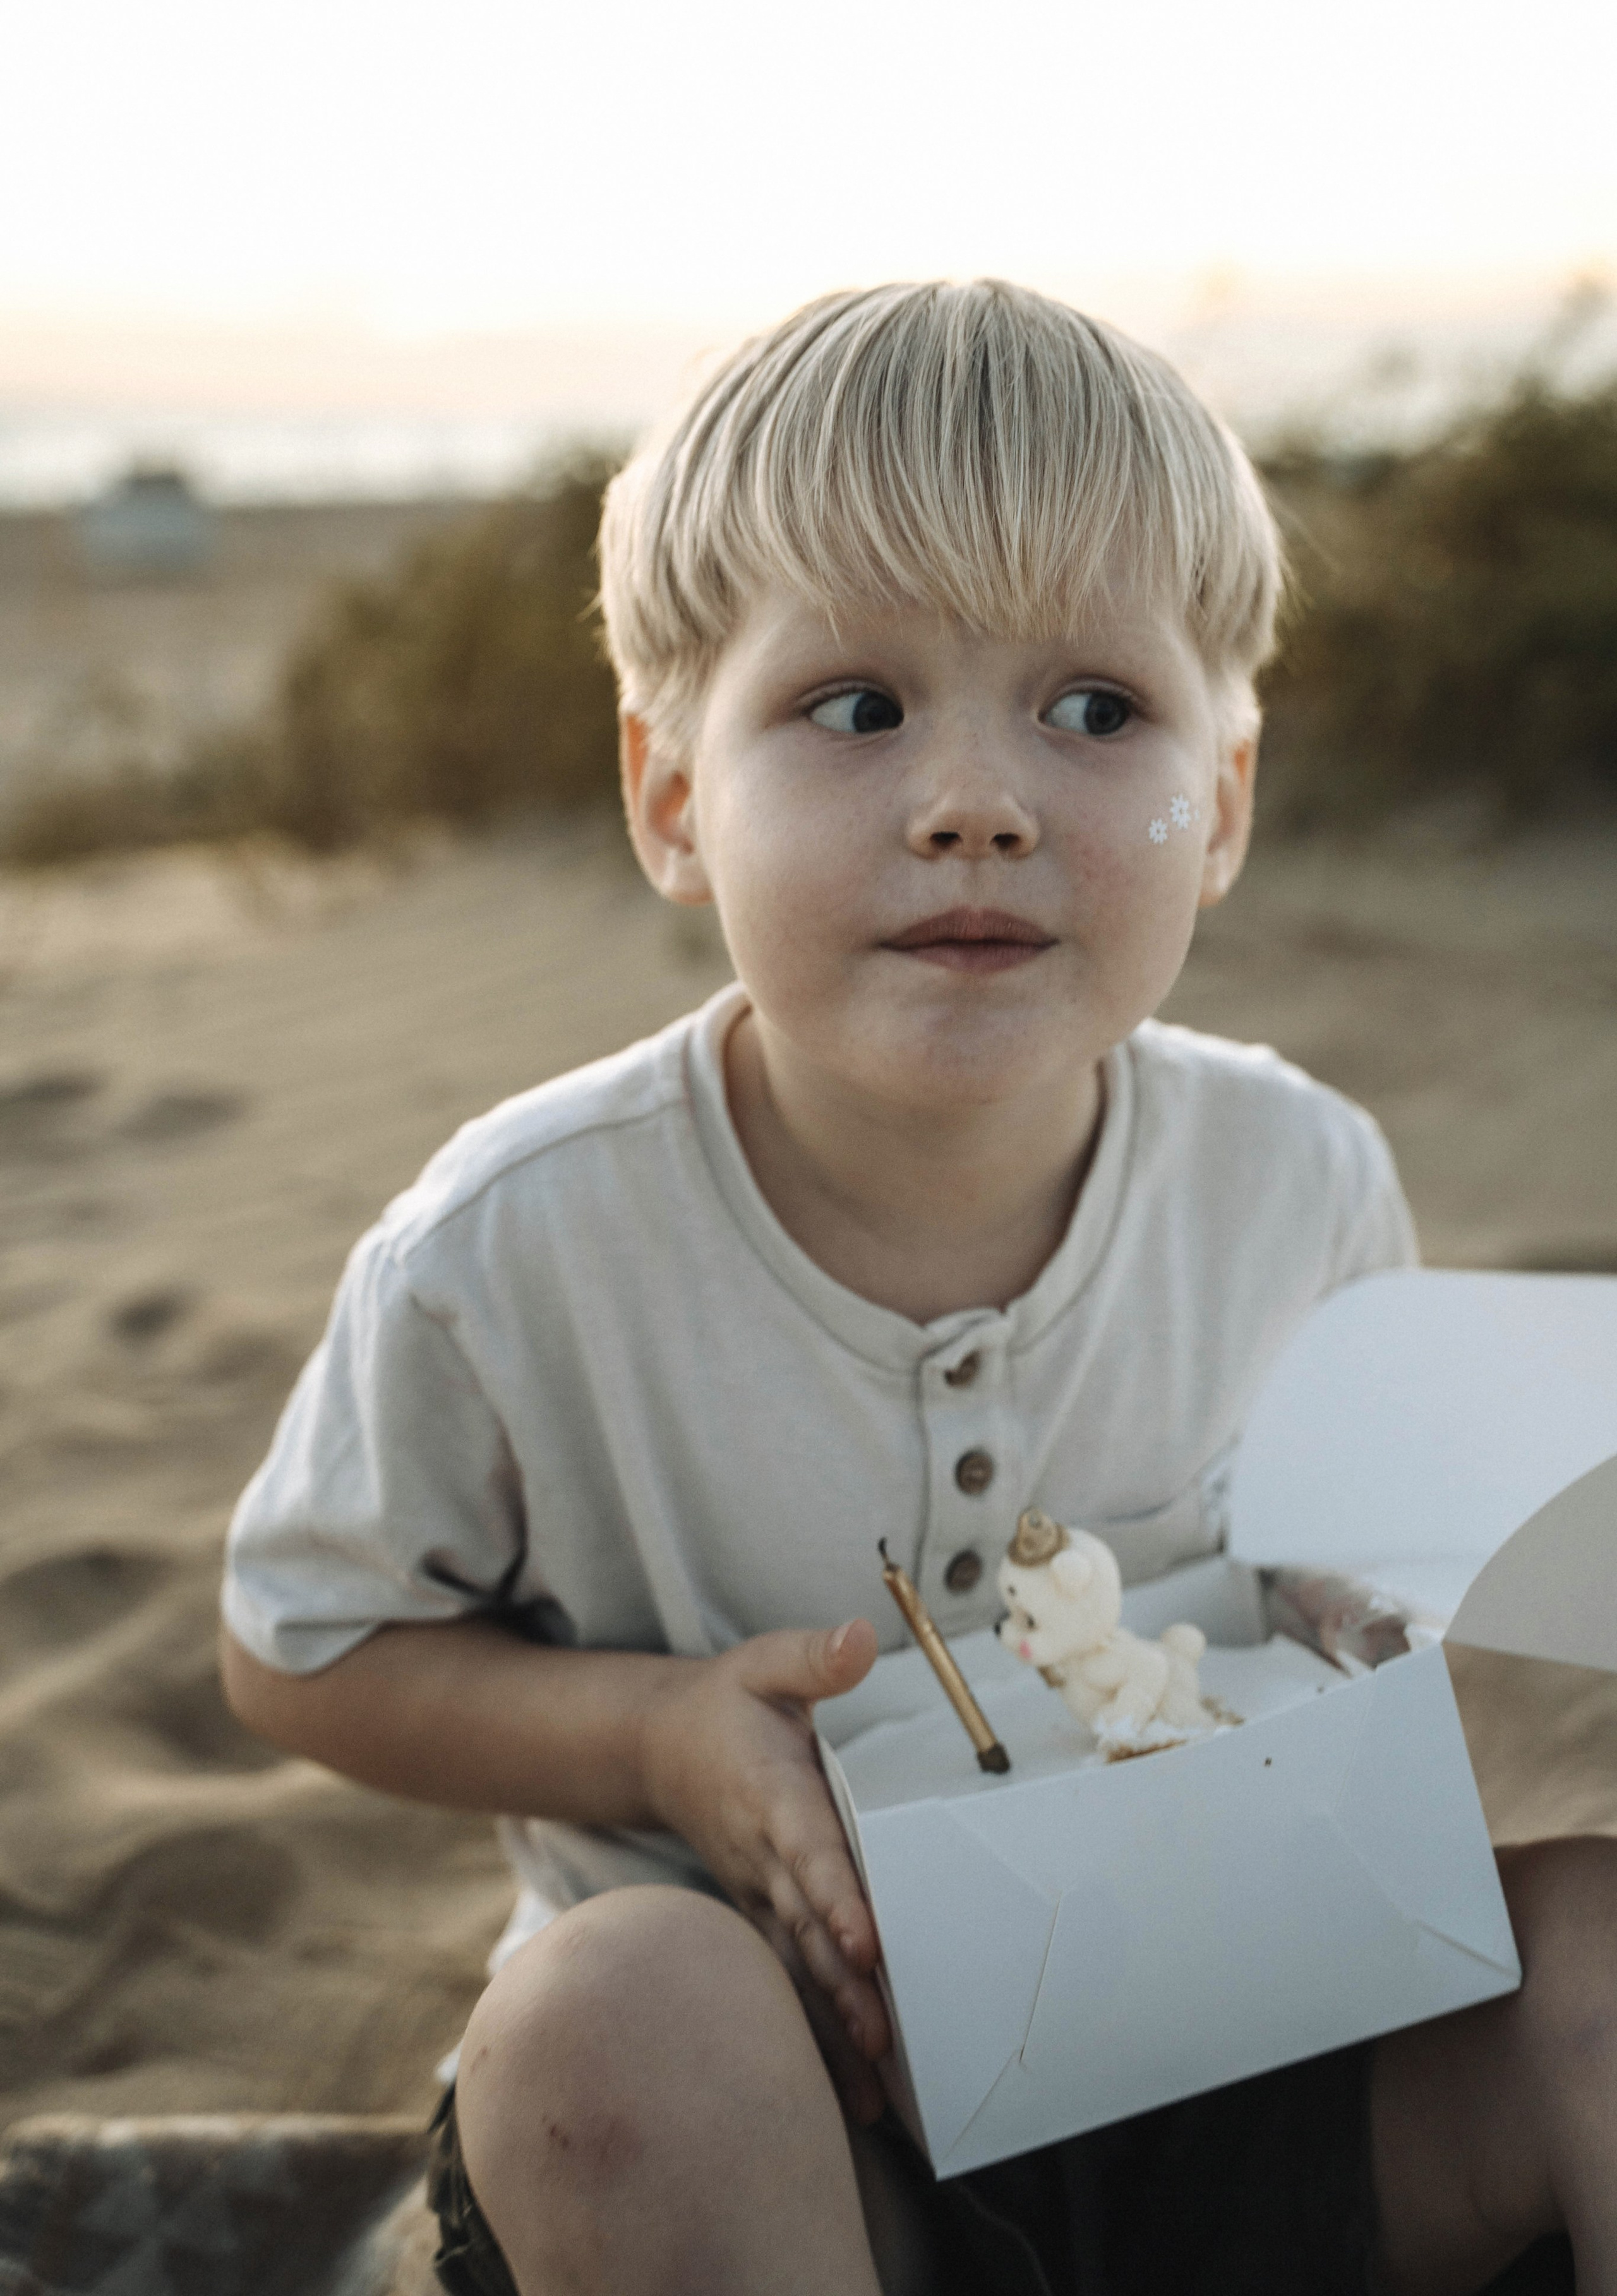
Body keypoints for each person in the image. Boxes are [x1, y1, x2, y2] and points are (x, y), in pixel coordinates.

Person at [220, 282, 1615, 2296]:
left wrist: (1359, 1622)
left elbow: (1362, 1570)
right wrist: (660, 1740)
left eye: (1096, 710)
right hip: (794, 2126)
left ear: (1220, 805)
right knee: (606, 2036)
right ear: (673, 796)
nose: (979, 798)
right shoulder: (513, 1249)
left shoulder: (1296, 1176)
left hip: (1235, 2050)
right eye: (858, 709)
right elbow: (298, 1650)